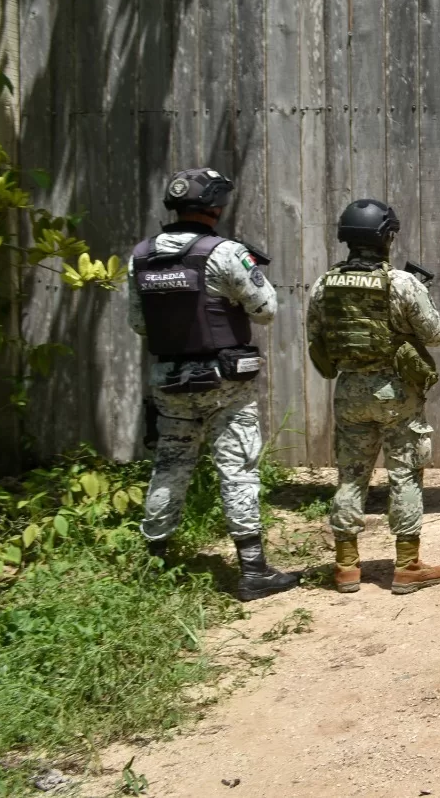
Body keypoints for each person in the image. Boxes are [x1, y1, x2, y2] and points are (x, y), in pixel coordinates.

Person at [130, 167, 298, 602]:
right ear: (216, 207)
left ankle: (154, 562)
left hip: (169, 380)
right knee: (238, 468)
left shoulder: (141, 256)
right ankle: (253, 569)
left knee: (170, 466)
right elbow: (265, 309)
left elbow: (138, 323)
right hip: (224, 381)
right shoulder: (224, 253)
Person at [307, 199, 440, 595]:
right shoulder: (401, 283)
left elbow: (316, 337)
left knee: (351, 475)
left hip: (349, 390)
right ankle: (407, 566)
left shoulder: (323, 284)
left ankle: (346, 566)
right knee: (404, 473)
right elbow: (434, 334)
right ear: (386, 237)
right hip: (396, 390)